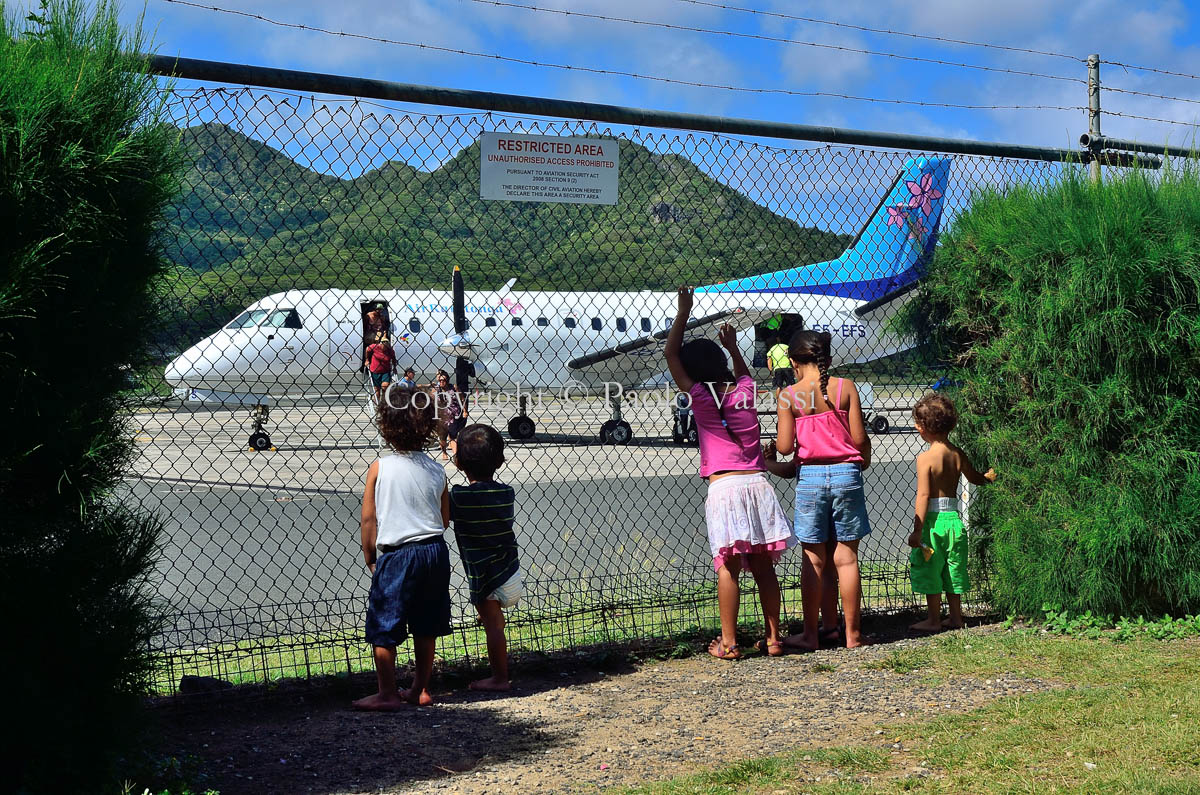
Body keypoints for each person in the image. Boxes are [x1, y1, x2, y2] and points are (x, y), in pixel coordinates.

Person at [665, 287, 794, 660]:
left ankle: (730, 642)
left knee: (729, 567)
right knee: (763, 566)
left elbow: (671, 353)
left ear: (691, 371)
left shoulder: (699, 398)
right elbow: (742, 373)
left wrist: (683, 312)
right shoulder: (744, 390)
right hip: (758, 485)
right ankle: (773, 638)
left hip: (724, 487)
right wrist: (734, 346)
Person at [353, 386, 452, 710]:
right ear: (427, 427)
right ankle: (419, 689)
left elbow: (369, 519)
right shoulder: (436, 469)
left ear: (386, 425)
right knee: (426, 624)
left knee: (385, 624)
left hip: (397, 556)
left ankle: (387, 693)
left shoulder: (380, 467)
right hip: (434, 552)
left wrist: (370, 555)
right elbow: (445, 518)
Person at [775, 331, 873, 651]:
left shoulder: (789, 396)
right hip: (847, 475)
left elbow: (786, 447)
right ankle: (853, 635)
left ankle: (811, 635)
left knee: (814, 559)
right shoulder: (846, 388)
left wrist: (771, 452)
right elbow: (858, 439)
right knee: (846, 558)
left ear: (793, 362)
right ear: (826, 359)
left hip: (811, 479)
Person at [906, 394, 997, 632]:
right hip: (954, 521)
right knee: (953, 567)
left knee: (931, 568)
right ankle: (957, 617)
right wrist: (987, 478)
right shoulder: (958, 454)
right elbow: (975, 478)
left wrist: (918, 530)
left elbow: (923, 496)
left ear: (923, 427)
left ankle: (934, 619)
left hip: (934, 524)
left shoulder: (925, 459)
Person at [449, 424, 523, 691]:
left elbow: (445, 517)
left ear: (458, 463)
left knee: (493, 627)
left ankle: (499, 678)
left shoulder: (459, 496)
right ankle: (497, 617)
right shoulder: (506, 493)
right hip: (511, 572)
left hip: (485, 575)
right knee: (494, 620)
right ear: (500, 461)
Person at [432, 369, 467, 461]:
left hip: (453, 415)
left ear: (447, 380)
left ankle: (456, 455)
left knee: (453, 435)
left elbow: (462, 399)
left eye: (443, 380)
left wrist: (464, 411)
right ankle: (444, 452)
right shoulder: (436, 389)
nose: (441, 382)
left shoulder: (454, 388)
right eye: (440, 380)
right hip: (441, 416)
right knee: (442, 438)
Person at [364, 334, 397, 403]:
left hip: (385, 371)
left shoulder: (390, 350)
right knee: (377, 390)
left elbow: (394, 359)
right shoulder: (375, 347)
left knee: (385, 386)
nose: (384, 347)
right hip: (375, 371)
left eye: (386, 345)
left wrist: (394, 367)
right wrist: (367, 360)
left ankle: (383, 401)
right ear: (381, 344)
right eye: (383, 345)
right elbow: (367, 349)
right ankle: (377, 402)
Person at [767, 336, 794, 401]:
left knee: (778, 386)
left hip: (778, 368)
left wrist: (771, 370)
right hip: (787, 368)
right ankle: (791, 399)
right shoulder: (786, 347)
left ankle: (778, 400)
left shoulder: (773, 349)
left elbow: (769, 360)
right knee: (790, 386)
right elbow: (791, 358)